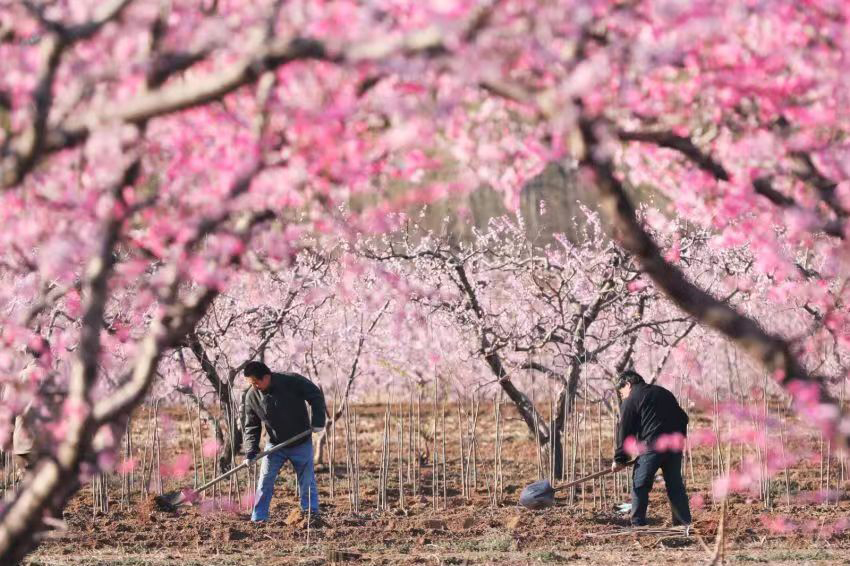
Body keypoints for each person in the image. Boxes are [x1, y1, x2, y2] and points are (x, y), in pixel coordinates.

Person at [242, 361, 326, 524]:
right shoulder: (252, 396)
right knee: (264, 481)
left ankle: (310, 516)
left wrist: (318, 421)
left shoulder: (292, 381)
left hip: (300, 440)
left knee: (307, 480)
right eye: (251, 384)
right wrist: (250, 451)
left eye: (256, 382)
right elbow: (251, 425)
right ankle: (258, 518)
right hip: (274, 445)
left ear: (266, 377)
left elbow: (315, 395)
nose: (255, 386)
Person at [611, 370, 691, 528]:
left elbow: (625, 430)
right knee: (675, 486)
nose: (622, 397)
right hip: (673, 445)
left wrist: (620, 458)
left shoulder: (631, 399)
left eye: (621, 392)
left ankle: (638, 524)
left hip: (652, 446)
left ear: (628, 384)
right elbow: (683, 418)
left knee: (640, 484)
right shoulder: (663, 393)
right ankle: (684, 525)